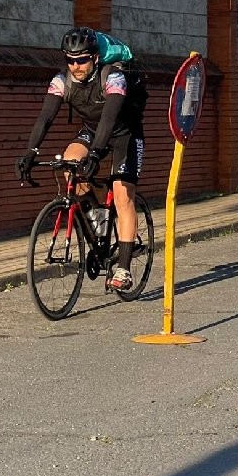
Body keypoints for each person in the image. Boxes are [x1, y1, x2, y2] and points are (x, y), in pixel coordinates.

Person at [15, 27, 145, 291]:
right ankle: (98, 224)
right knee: (70, 164)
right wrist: (31, 151)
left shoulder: (114, 77)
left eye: (82, 59)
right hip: (91, 131)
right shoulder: (62, 82)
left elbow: (109, 117)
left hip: (124, 134)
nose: (76, 66)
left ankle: (123, 268)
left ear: (95, 58)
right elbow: (45, 117)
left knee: (122, 195)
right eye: (70, 60)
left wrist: (97, 153)